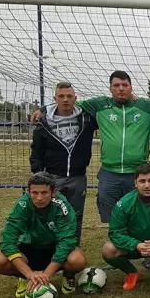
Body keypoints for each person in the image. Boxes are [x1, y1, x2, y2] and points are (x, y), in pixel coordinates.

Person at [32, 70, 150, 270]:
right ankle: (121, 252)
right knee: (114, 217)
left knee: (144, 214)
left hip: (137, 173)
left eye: (125, 85)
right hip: (109, 173)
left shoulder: (145, 106)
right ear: (110, 88)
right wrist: (43, 109)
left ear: (131, 88)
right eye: (116, 85)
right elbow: (69, 102)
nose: (121, 89)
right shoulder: (99, 105)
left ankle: (148, 255)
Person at [0, 172, 87, 298]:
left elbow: (67, 241)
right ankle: (24, 277)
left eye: (44, 193)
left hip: (54, 248)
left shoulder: (61, 205)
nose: (39, 198)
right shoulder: (22, 205)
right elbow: (7, 241)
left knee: (78, 260)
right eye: (34, 193)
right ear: (28, 192)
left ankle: (68, 276)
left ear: (53, 192)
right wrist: (29, 273)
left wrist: (46, 275)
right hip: (29, 249)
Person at [29, 81, 98, 243]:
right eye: (61, 96)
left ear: (75, 98)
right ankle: (49, 247)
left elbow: (107, 108)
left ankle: (72, 247)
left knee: (75, 215)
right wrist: (38, 175)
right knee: (51, 213)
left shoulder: (87, 119)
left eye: (69, 96)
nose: (65, 99)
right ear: (55, 99)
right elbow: (36, 150)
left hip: (78, 176)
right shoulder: (43, 122)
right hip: (52, 176)